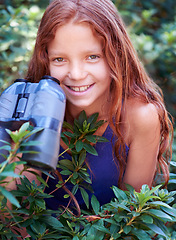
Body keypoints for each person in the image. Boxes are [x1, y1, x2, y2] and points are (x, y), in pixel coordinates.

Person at [24, 0, 173, 210]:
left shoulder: (140, 117)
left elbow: (130, 220)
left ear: (116, 55)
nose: (76, 74)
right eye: (59, 59)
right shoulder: (27, 111)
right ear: (44, 59)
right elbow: (17, 216)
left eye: (92, 57)